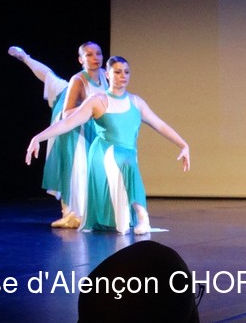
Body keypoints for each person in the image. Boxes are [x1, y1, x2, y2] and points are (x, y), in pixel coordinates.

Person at [26, 56, 190, 235]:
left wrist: (183, 144)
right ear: (107, 74)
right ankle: (143, 217)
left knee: (128, 160)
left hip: (127, 153)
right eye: (118, 72)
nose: (123, 76)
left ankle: (138, 217)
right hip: (104, 153)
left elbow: (159, 124)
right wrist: (39, 138)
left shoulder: (136, 102)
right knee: (127, 162)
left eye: (126, 72)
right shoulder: (98, 100)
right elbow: (68, 122)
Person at [15, 42, 108, 229]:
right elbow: (67, 113)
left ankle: (90, 212)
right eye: (89, 55)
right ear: (81, 59)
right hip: (74, 128)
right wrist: (89, 109)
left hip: (93, 128)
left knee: (53, 80)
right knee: (76, 169)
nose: (95, 58)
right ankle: (70, 213)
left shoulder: (105, 77)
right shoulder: (78, 80)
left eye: (98, 53)